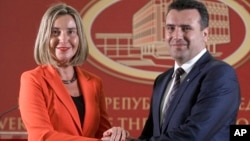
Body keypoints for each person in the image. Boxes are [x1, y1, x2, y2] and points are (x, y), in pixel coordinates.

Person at [103, 0, 241, 141]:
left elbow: (194, 135)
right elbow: (150, 136)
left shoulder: (220, 74)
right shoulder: (163, 80)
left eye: (186, 28)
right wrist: (123, 138)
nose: (176, 36)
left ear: (205, 34)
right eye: (170, 28)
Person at [19, 3, 126, 141]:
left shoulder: (95, 83)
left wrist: (115, 134)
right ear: (45, 37)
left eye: (71, 32)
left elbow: (102, 134)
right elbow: (41, 136)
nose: (63, 39)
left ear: (79, 37)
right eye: (55, 32)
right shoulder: (33, 80)